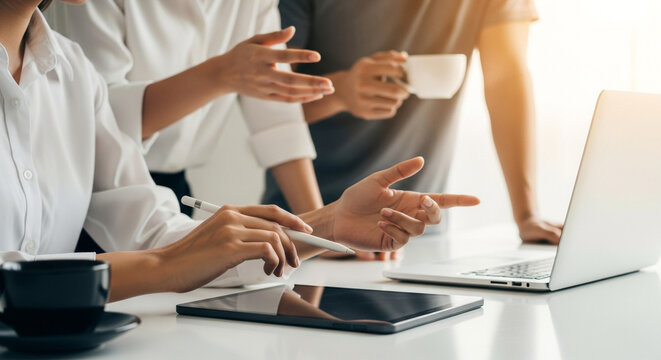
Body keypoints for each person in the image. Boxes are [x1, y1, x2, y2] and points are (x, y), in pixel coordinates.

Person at [0, 0, 479, 301]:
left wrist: (327, 225)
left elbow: (159, 236)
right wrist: (166, 265)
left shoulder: (72, 72)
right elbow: (168, 256)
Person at [264, 0, 562, 262]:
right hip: (299, 230)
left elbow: (505, 80)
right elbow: (265, 102)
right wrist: (341, 92)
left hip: (415, 232)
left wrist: (527, 215)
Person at [47, 1, 334, 218]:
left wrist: (323, 228)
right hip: (94, 190)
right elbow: (103, 120)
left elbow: (277, 119)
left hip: (174, 192)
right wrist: (219, 74)